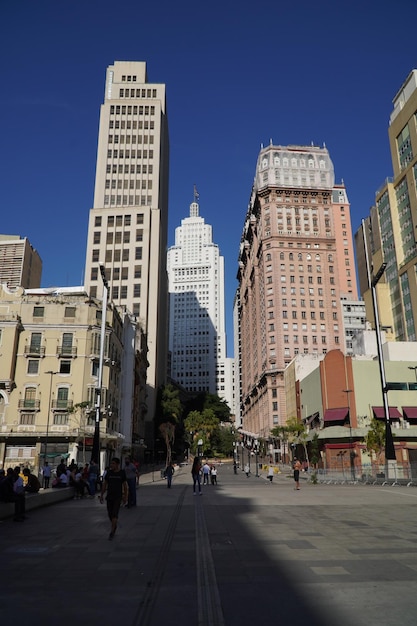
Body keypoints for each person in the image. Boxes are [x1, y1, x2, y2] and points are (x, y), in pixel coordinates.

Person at [100, 458, 128, 540]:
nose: (111, 465)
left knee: (115, 514)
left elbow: (125, 486)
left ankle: (112, 531)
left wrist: (125, 496)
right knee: (110, 514)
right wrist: (101, 495)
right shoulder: (109, 473)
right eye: (111, 463)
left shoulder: (122, 473)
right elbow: (105, 484)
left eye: (113, 463)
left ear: (117, 464)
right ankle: (114, 525)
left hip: (118, 497)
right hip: (109, 496)